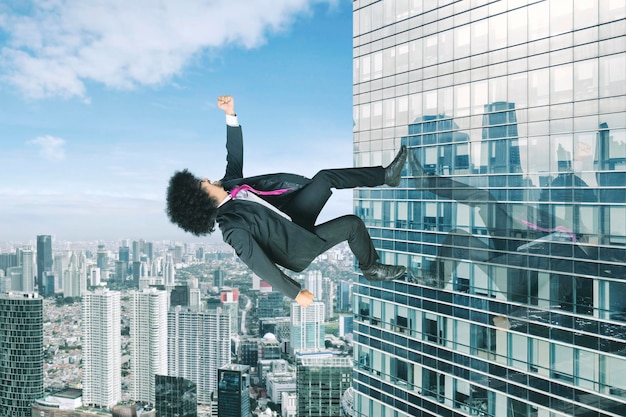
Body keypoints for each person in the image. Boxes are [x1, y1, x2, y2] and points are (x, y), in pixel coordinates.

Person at [167, 95, 408, 307]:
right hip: (295, 247)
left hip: (294, 216)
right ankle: (371, 269)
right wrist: (295, 293)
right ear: (202, 198)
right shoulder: (231, 227)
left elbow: (234, 157)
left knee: (325, 178)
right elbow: (258, 264)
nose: (207, 179)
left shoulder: (230, 185)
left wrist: (230, 115)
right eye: (202, 183)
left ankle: (386, 176)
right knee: (352, 224)